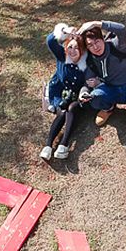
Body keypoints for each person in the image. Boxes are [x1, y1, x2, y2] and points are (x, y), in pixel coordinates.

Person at [76, 20, 126, 132]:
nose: (95, 47)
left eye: (97, 41)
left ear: (102, 39)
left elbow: (121, 29)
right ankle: (108, 108)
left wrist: (97, 24)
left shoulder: (117, 46)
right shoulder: (91, 60)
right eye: (90, 45)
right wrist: (84, 93)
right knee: (94, 98)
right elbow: (88, 81)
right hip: (111, 89)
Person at [40, 23, 91, 161]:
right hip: (60, 94)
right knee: (62, 111)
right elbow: (50, 40)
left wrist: (83, 93)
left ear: (82, 51)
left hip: (79, 97)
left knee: (72, 108)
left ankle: (64, 144)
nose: (73, 51)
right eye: (70, 47)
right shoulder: (62, 58)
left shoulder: (87, 64)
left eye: (77, 48)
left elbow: (88, 82)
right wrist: (66, 32)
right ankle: (48, 146)